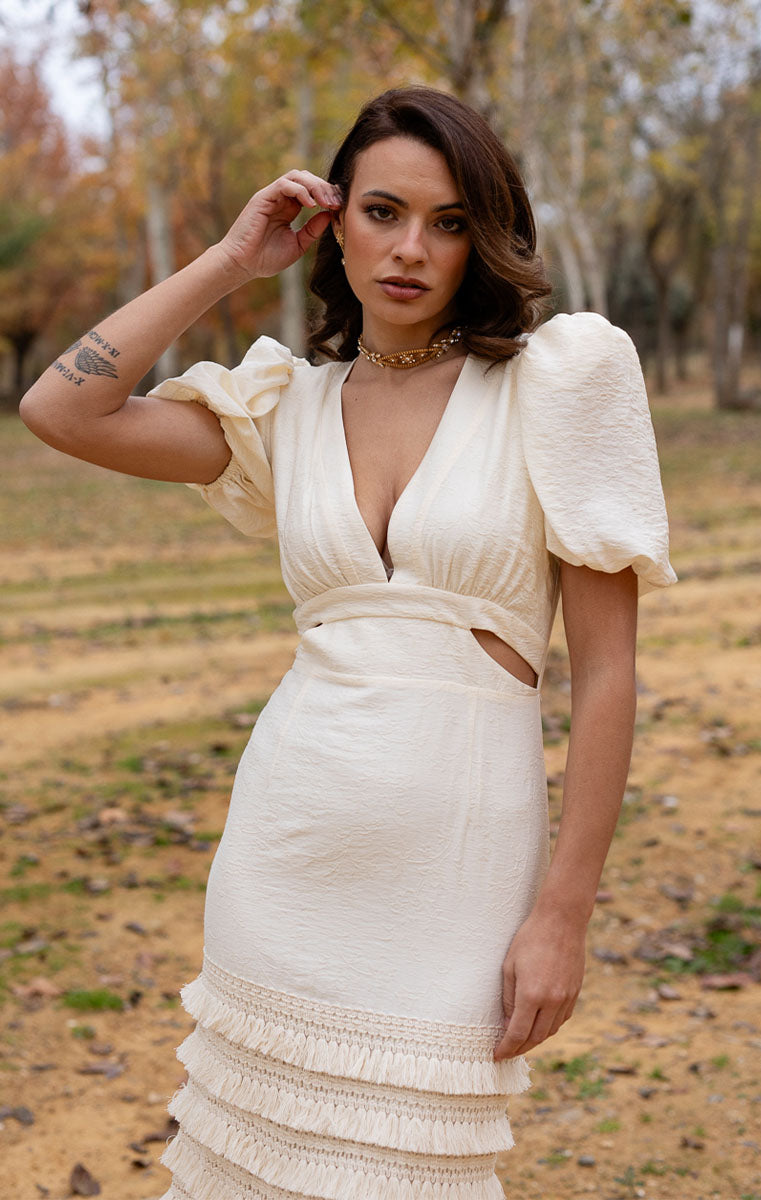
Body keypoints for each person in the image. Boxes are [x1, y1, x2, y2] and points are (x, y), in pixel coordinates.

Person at [20, 86, 676, 1200]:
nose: (411, 248)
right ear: (334, 225)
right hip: (285, 854)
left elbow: (608, 671)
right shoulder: (287, 408)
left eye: (449, 222)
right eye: (382, 212)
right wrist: (231, 260)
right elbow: (61, 410)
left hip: (457, 870)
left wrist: (563, 912)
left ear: (483, 237)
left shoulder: (557, 383)